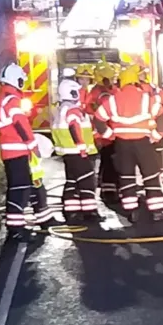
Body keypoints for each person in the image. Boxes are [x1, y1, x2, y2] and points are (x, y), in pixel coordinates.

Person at [93, 64, 163, 220]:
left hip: (122, 145)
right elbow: (162, 116)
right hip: (144, 143)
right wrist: (156, 135)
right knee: (150, 176)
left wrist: (110, 135)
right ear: (135, 81)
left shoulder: (113, 100)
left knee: (126, 177)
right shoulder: (146, 98)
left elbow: (98, 119)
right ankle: (157, 212)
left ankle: (131, 211)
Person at [0, 62, 39, 241]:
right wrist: (31, 143)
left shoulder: (5, 97)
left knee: (19, 188)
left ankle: (16, 227)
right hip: (16, 151)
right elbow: (20, 123)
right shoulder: (11, 99)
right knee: (20, 189)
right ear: (15, 79)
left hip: (11, 152)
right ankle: (15, 229)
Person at [52, 78, 99, 222]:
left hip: (68, 153)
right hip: (77, 152)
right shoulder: (73, 109)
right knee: (87, 182)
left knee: (72, 181)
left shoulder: (62, 108)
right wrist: (81, 147)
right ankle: (89, 212)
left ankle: (71, 211)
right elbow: (74, 126)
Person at [89, 62, 120, 204]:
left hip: (101, 133)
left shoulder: (95, 91)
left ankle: (104, 185)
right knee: (110, 162)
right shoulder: (104, 94)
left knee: (106, 161)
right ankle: (109, 191)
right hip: (107, 134)